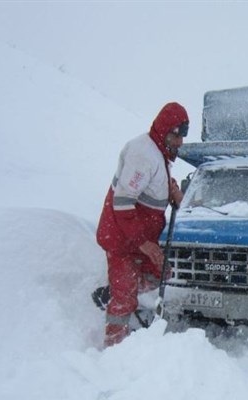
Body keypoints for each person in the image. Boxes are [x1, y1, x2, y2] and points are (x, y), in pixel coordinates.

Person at [95, 102, 188, 347]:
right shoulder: (142, 154)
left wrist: (174, 192)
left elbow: (154, 186)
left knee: (165, 274)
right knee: (125, 296)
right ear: (166, 130)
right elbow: (123, 203)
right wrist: (145, 244)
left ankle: (114, 293)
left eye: (182, 137)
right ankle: (112, 347)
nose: (180, 143)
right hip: (123, 240)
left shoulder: (160, 153)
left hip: (141, 241)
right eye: (177, 136)